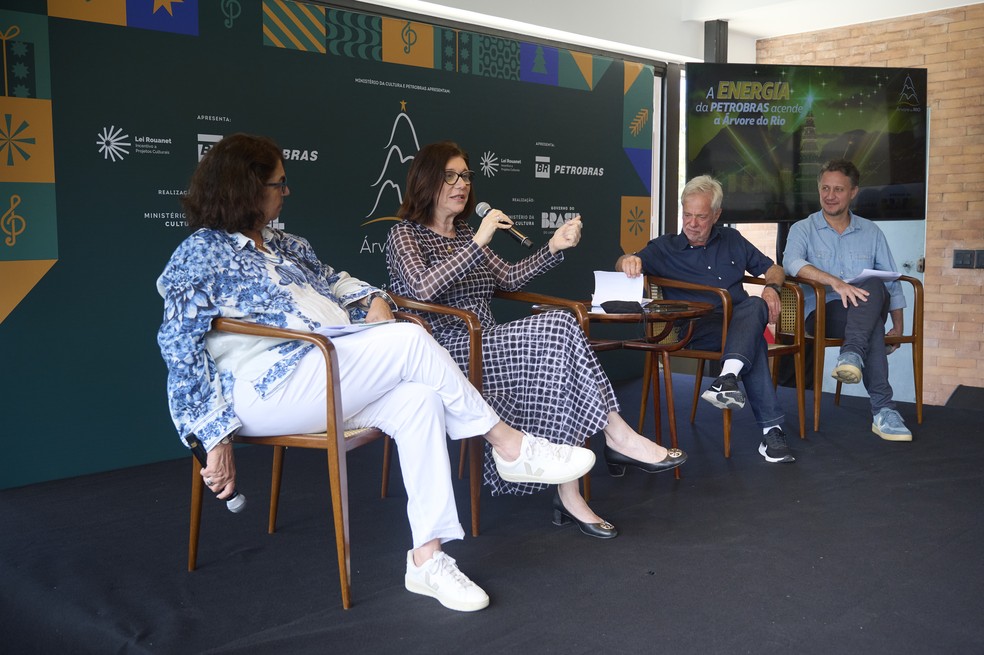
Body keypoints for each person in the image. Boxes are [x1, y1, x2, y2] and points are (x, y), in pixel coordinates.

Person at [156, 133, 596, 613]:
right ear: (245, 188)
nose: (287, 192)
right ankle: (509, 445)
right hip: (267, 389)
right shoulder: (200, 254)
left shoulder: (287, 243)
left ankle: (427, 559)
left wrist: (377, 300)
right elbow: (179, 348)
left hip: (330, 368)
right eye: (279, 184)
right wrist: (212, 434)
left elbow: (339, 281)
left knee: (419, 401)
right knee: (410, 341)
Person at [385, 140, 687, 540]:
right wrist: (478, 242)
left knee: (559, 342)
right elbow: (421, 289)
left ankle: (577, 484)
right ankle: (614, 440)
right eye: (451, 176)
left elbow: (507, 278)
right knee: (559, 327)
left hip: (486, 340)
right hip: (444, 352)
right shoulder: (405, 235)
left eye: (465, 176)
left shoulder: (462, 232)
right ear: (427, 181)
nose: (461, 185)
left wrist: (552, 247)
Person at [616, 175, 795, 463]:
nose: (692, 223)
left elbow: (773, 269)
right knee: (753, 339)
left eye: (701, 216)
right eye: (687, 215)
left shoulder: (733, 240)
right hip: (696, 327)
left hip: (737, 321)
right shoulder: (665, 247)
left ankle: (727, 377)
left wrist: (772, 289)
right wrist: (628, 261)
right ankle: (770, 429)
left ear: (716, 215)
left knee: (753, 305)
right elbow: (624, 261)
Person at [783, 159, 911, 441]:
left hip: (862, 314)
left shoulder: (871, 232)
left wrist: (899, 328)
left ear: (854, 192)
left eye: (838, 189)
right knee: (872, 324)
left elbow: (891, 281)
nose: (830, 196)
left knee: (876, 285)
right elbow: (792, 263)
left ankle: (852, 357)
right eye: (825, 188)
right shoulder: (802, 229)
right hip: (823, 315)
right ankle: (883, 410)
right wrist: (836, 283)